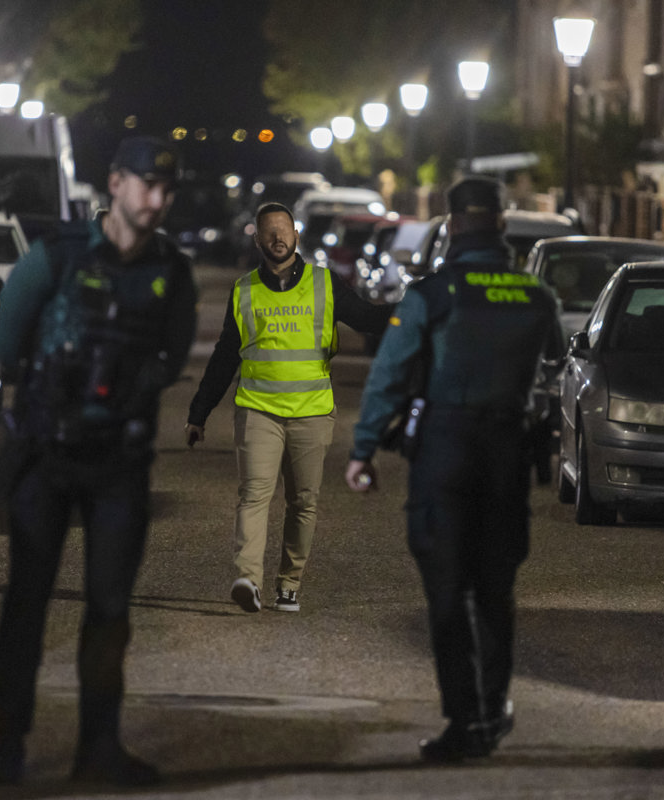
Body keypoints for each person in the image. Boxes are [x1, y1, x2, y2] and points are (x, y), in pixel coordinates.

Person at [0, 135, 197, 787]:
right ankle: (7, 745)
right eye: (146, 185)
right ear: (115, 183)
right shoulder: (56, 257)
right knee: (27, 602)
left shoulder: (171, 272)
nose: (157, 200)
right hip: (45, 455)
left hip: (118, 465)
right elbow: (7, 342)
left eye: (167, 189)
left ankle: (98, 748)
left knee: (109, 610)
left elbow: (171, 356)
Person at [344, 177, 557, 763]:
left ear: (452, 224)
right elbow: (553, 364)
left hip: (446, 449)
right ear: (502, 226)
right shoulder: (536, 296)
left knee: (445, 591)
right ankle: (493, 708)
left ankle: (465, 720)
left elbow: (390, 373)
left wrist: (363, 449)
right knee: (495, 590)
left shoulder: (432, 294)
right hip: (507, 452)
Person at [186, 201, 391, 613]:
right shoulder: (244, 289)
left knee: (303, 501)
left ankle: (289, 583)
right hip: (258, 410)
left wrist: (418, 306)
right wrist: (198, 412)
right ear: (258, 238)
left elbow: (368, 319)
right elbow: (227, 354)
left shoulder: (324, 283)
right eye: (269, 231)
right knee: (254, 495)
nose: (278, 237)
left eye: (284, 230)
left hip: (311, 412)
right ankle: (247, 578)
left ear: (297, 235)